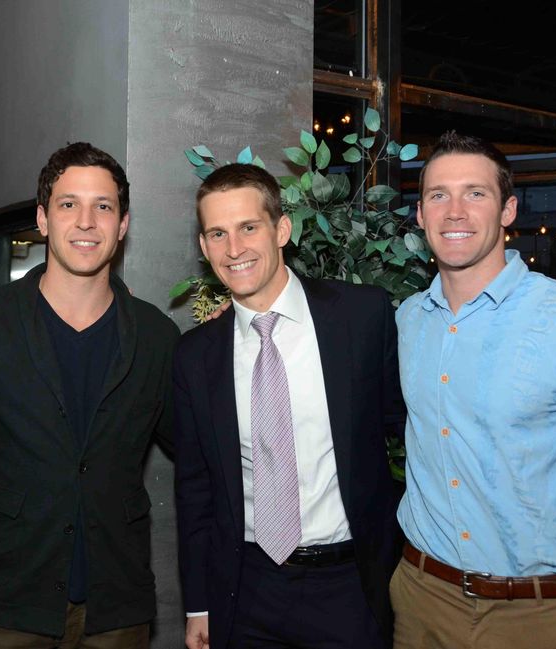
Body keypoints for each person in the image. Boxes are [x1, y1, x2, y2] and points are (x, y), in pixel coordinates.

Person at [391, 131, 556, 649]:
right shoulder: (409, 321)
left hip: (541, 614)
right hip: (422, 599)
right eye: (438, 195)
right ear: (419, 215)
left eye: (476, 193)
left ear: (508, 209)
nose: (455, 211)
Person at [0, 141, 180, 648]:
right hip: (2, 603)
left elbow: (199, 448)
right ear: (43, 220)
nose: (87, 221)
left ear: (124, 224)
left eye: (104, 206)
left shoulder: (157, 337)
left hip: (116, 609)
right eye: (69, 204)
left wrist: (228, 345)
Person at [173, 163, 404, 649]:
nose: (234, 249)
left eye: (248, 227)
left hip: (350, 587)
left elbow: (403, 432)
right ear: (203, 246)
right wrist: (198, 603)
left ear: (282, 229)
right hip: (247, 590)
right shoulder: (196, 354)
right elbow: (195, 489)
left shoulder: (361, 317)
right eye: (217, 233)